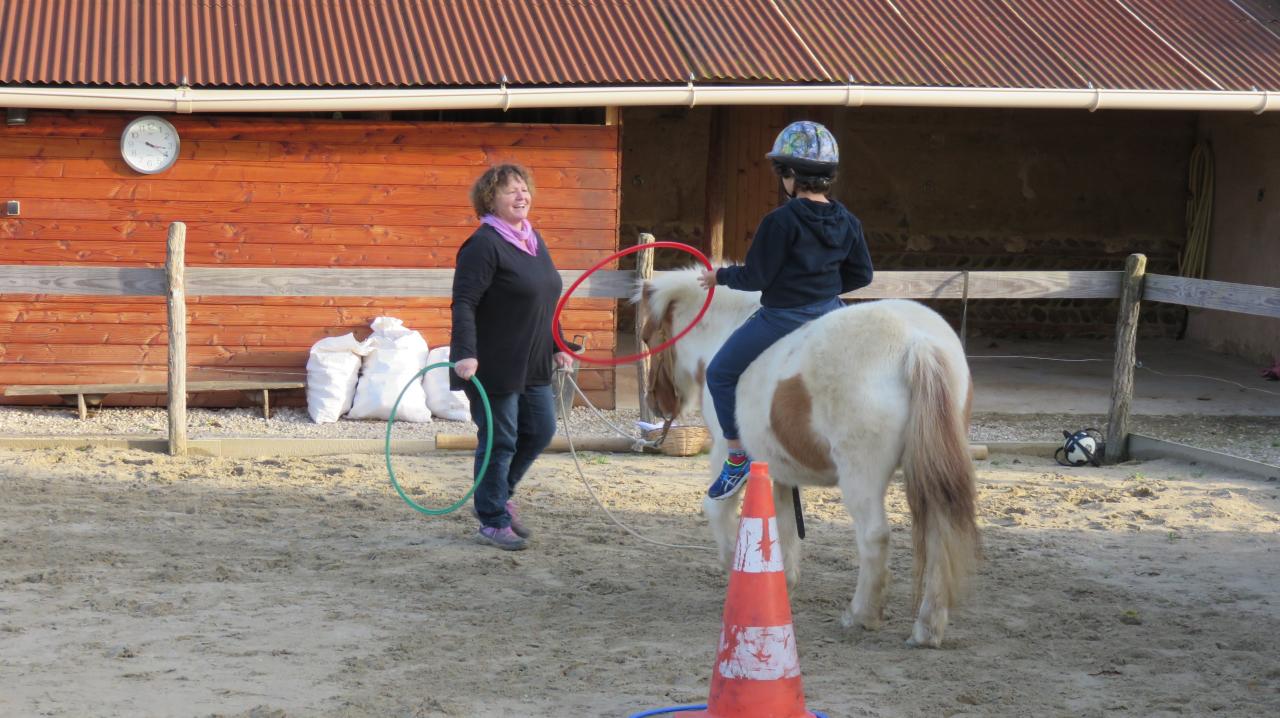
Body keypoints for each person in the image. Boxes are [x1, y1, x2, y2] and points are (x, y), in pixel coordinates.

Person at [697, 120, 874, 500]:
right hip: (831, 312)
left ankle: (736, 456)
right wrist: (822, 289)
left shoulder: (780, 221)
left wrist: (719, 277)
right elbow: (863, 273)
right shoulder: (849, 221)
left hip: (782, 316)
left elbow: (756, 277)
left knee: (720, 373)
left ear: (790, 174)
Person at [450, 164, 575, 550]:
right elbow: (465, 302)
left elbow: (546, 297)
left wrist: (559, 344)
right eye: (510, 192)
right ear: (490, 200)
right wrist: (466, 353)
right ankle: (491, 519)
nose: (521, 196)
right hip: (494, 361)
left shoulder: (533, 239)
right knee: (500, 439)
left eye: (524, 189)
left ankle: (499, 495)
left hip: (534, 358)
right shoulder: (483, 244)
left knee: (540, 430)